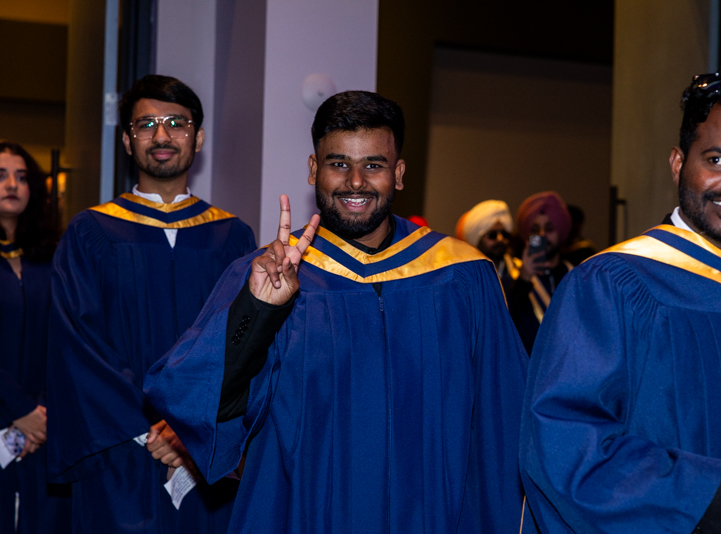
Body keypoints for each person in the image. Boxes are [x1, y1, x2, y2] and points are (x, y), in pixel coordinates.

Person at [144, 90, 529, 532]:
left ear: (399, 174)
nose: (356, 182)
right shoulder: (269, 275)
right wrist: (259, 308)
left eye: (374, 165)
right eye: (339, 163)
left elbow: (505, 420)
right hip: (304, 516)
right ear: (314, 170)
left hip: (432, 517)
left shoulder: (461, 277)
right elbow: (195, 396)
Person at [520, 65, 721, 533]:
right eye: (718, 159)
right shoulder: (610, 286)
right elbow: (564, 447)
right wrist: (714, 492)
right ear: (677, 163)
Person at [47, 75, 256, 533]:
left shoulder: (233, 237)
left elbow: (244, 344)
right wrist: (151, 425)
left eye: (177, 123)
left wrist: (190, 427)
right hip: (118, 448)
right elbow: (76, 345)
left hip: (204, 452)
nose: (162, 135)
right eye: (146, 124)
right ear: (127, 140)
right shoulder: (90, 234)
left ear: (198, 138)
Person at [0, 141, 69, 533]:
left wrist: (39, 412)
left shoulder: (52, 258)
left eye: (22, 177)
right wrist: (20, 410)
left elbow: (63, 337)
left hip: (45, 425)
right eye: (1, 175)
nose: (12, 184)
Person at [508, 191, 573, 354]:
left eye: (549, 229)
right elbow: (505, 326)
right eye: (535, 230)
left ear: (560, 232)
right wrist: (524, 278)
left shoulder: (575, 275)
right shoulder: (513, 278)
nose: (542, 235)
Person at [455, 199, 520, 295]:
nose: (500, 239)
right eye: (492, 235)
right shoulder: (464, 276)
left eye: (504, 234)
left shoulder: (520, 270)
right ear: (477, 240)